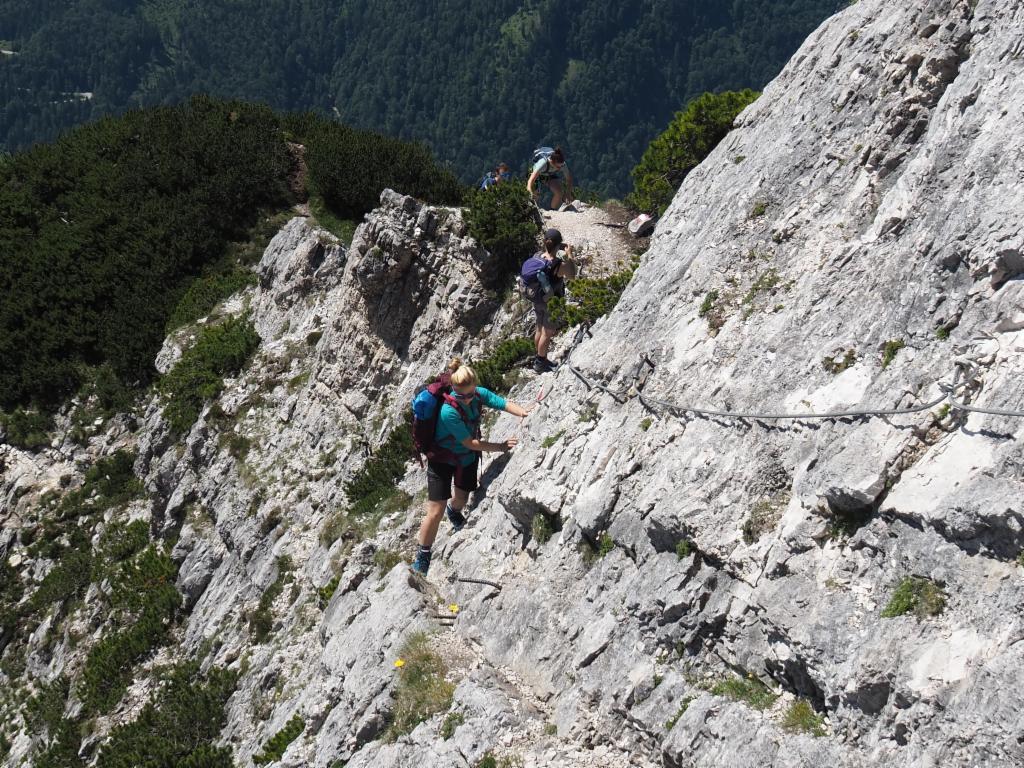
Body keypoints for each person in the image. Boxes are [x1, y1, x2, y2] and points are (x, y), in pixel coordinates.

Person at [411, 358, 532, 576]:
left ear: (474, 387)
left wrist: (522, 411)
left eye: (469, 394)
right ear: (454, 391)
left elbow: (500, 402)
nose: (466, 399)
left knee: (462, 499)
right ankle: (423, 554)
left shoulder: (478, 395)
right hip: (441, 459)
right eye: (461, 395)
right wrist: (500, 447)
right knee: (434, 511)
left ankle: (454, 511)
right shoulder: (448, 411)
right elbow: (469, 442)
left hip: (465, 458)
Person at [522, 228, 577, 373]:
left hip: (537, 299)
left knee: (539, 328)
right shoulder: (559, 265)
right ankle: (541, 363)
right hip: (552, 302)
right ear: (559, 245)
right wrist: (569, 255)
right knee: (547, 332)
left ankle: (540, 358)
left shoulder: (538, 256)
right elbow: (572, 275)